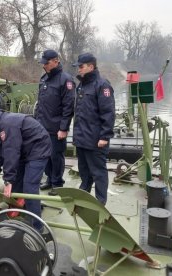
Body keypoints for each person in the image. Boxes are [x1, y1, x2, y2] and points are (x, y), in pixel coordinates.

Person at [0, 106, 52, 230]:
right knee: (16, 183)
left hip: (38, 150)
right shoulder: (2, 124)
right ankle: (24, 208)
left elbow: (11, 151)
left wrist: (8, 180)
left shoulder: (7, 124)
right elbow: (0, 149)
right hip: (26, 149)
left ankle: (37, 227)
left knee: (29, 187)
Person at [72, 53, 115, 205]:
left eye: (81, 66)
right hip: (82, 137)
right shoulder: (82, 85)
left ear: (91, 66)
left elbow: (108, 112)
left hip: (96, 139)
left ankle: (100, 202)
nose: (79, 70)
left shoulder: (102, 85)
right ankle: (85, 194)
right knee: (84, 171)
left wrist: (104, 136)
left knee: (98, 172)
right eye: (78, 67)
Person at [35, 49, 75, 196]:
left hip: (56, 127)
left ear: (55, 61)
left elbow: (68, 106)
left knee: (56, 156)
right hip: (42, 126)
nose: (43, 65)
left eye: (46, 63)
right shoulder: (44, 79)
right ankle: (50, 180)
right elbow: (40, 104)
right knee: (45, 155)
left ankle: (58, 184)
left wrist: (63, 128)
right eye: (43, 63)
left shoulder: (66, 80)